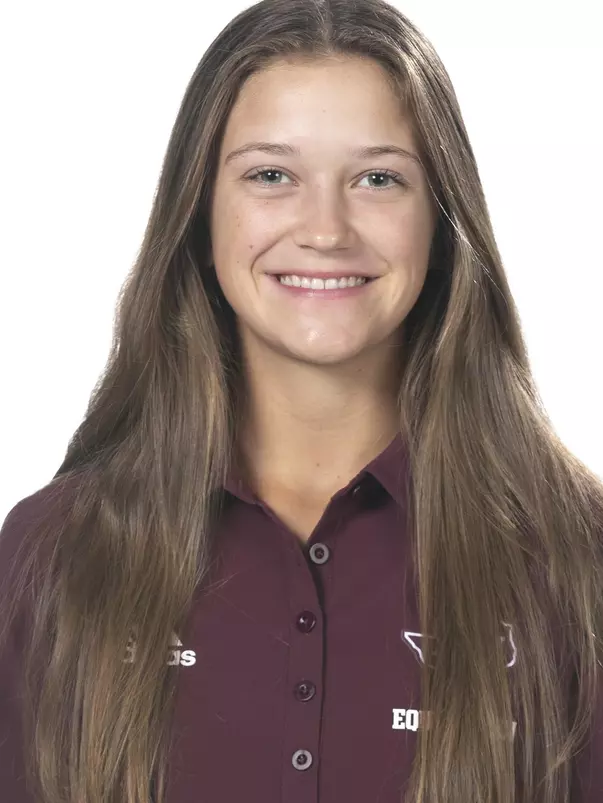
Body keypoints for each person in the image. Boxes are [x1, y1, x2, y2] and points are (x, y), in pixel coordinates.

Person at [1, 0, 602, 801]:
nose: (325, 229)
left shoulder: (577, 558)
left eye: (378, 178)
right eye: (271, 175)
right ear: (200, 210)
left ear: (441, 220)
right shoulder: (52, 551)